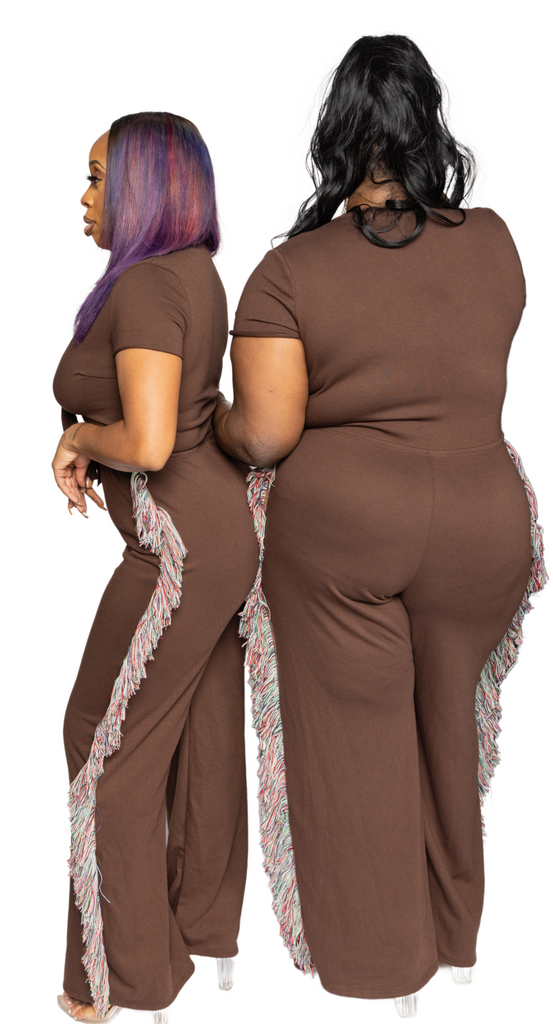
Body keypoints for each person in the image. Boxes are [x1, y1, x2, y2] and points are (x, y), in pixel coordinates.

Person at [214, 35, 547, 1018]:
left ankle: (379, 977)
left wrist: (213, 421)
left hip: (346, 540)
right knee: (449, 729)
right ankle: (455, 951)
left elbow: (266, 433)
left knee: (357, 747)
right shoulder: (494, 240)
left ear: (335, 134)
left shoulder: (287, 273)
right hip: (483, 529)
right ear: (427, 124)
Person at [52, 112, 258, 1022]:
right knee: (197, 735)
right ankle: (201, 930)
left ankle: (115, 980)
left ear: (141, 188)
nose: (85, 196)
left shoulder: (144, 288)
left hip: (178, 546)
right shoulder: (191, 273)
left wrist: (78, 439)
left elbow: (145, 441)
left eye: (99, 179)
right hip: (218, 536)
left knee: (100, 741)